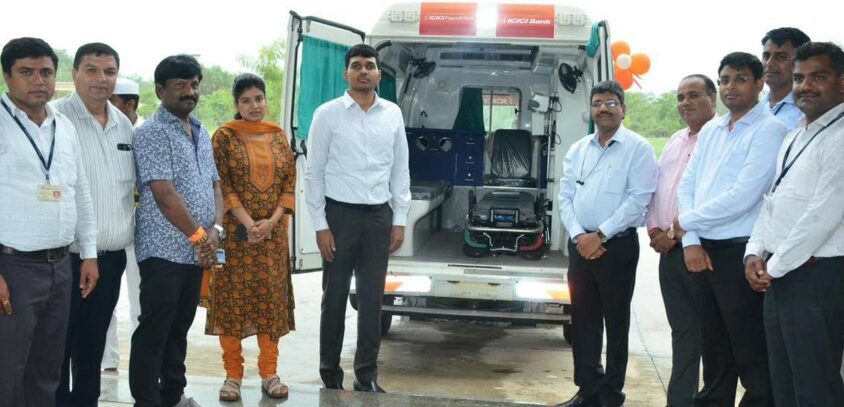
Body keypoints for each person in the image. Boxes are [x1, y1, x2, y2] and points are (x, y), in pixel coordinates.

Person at [674, 52, 787, 407]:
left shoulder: (771, 130)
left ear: (759, 84)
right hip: (702, 250)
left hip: (741, 253)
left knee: (750, 347)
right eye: (724, 79)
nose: (730, 86)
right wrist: (690, 240)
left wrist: (684, 224)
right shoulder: (712, 129)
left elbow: (744, 196)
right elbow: (686, 186)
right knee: (715, 347)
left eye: (739, 79)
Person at [305, 43, 410, 393]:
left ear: (379, 73)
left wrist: (399, 219)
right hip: (339, 217)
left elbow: (400, 170)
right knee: (333, 299)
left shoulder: (392, 113)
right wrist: (320, 226)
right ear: (345, 73)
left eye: (369, 65)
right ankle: (331, 378)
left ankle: (366, 377)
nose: (363, 71)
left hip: (379, 217)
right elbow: (314, 173)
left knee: (372, 301)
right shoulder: (328, 114)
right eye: (356, 65)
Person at [0, 37, 98, 407]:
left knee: (47, 367)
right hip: (12, 266)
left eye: (45, 72)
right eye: (26, 72)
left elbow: (80, 191)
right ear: (7, 76)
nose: (38, 80)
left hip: (60, 265)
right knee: (8, 368)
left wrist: (89, 253)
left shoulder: (64, 126)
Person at [744, 41, 844, 406]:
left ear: (842, 82)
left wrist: (774, 265)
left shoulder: (840, 136)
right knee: (783, 383)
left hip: (816, 278)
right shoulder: (795, 134)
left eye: (819, 77)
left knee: (814, 386)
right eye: (800, 78)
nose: (806, 86)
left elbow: (822, 216)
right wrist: (754, 251)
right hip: (781, 275)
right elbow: (772, 202)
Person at [556, 80, 659, 407]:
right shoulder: (579, 149)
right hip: (580, 245)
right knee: (583, 322)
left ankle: (611, 395)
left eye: (611, 102)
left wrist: (599, 236)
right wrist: (578, 236)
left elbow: (638, 199)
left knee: (616, 324)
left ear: (623, 109)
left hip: (616, 248)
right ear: (591, 110)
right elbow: (565, 196)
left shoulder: (638, 148)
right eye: (598, 103)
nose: (603, 108)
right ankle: (587, 391)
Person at [129, 54, 222, 407]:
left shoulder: (201, 130)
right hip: (164, 250)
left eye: (194, 84)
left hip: (197, 249)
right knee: (155, 327)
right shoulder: (151, 133)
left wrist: (216, 229)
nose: (189, 92)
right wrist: (201, 238)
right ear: (160, 90)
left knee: (180, 327)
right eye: (180, 85)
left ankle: (172, 394)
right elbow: (164, 194)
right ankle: (146, 400)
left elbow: (215, 185)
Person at [52, 42, 136, 407]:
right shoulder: (54, 120)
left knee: (93, 345)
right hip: (64, 258)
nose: (101, 79)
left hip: (113, 258)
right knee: (57, 345)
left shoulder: (125, 126)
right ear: (74, 75)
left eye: (109, 71)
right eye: (91, 70)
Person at [207, 73, 296, 401]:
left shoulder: (277, 136)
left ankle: (269, 373)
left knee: (269, 303)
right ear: (236, 105)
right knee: (232, 304)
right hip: (235, 238)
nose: (254, 105)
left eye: (259, 98)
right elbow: (222, 184)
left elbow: (289, 182)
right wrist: (248, 221)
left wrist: (271, 222)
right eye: (246, 100)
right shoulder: (224, 138)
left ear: (266, 100)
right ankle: (232, 375)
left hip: (271, 240)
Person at [645, 74, 717, 407]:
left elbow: (712, 198)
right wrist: (655, 230)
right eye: (679, 97)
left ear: (712, 99)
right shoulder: (675, 140)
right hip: (667, 253)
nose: (684, 102)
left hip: (698, 251)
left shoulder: (718, 139)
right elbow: (656, 190)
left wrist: (674, 234)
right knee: (683, 333)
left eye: (693, 95)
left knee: (709, 337)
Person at [102, 76, 143, 373]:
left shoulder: (145, 132)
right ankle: (107, 361)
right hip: (112, 227)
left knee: (141, 299)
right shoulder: (103, 129)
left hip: (143, 232)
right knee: (105, 299)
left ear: (130, 103)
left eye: (112, 101)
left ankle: (141, 360)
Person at [760, 27, 811, 130]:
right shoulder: (756, 108)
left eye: (781, 57)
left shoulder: (809, 110)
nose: (769, 63)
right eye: (766, 56)